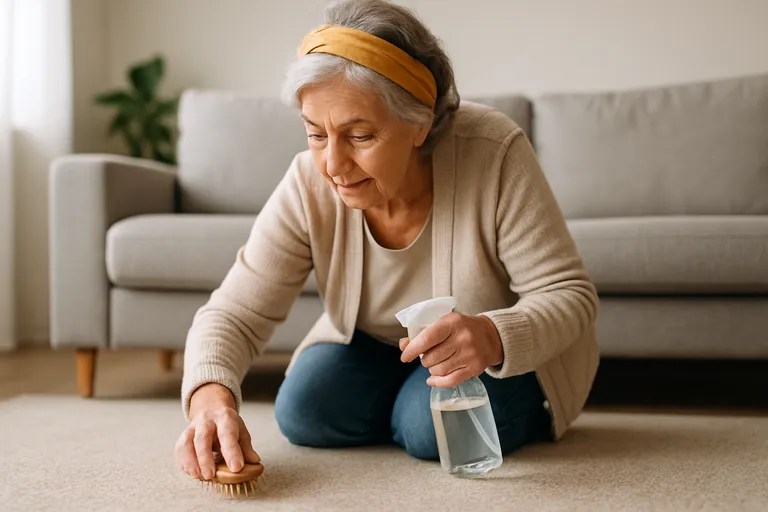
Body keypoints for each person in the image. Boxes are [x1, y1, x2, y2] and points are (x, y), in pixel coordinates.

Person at [174, 0, 599, 481]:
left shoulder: (493, 152)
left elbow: (571, 296)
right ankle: (408, 400)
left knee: (424, 427)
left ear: (419, 122)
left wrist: (492, 335)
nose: (333, 164)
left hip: (501, 357)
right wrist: (209, 399)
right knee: (306, 409)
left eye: (359, 136)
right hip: (380, 347)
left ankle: (418, 408)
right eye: (316, 134)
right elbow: (234, 312)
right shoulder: (308, 182)